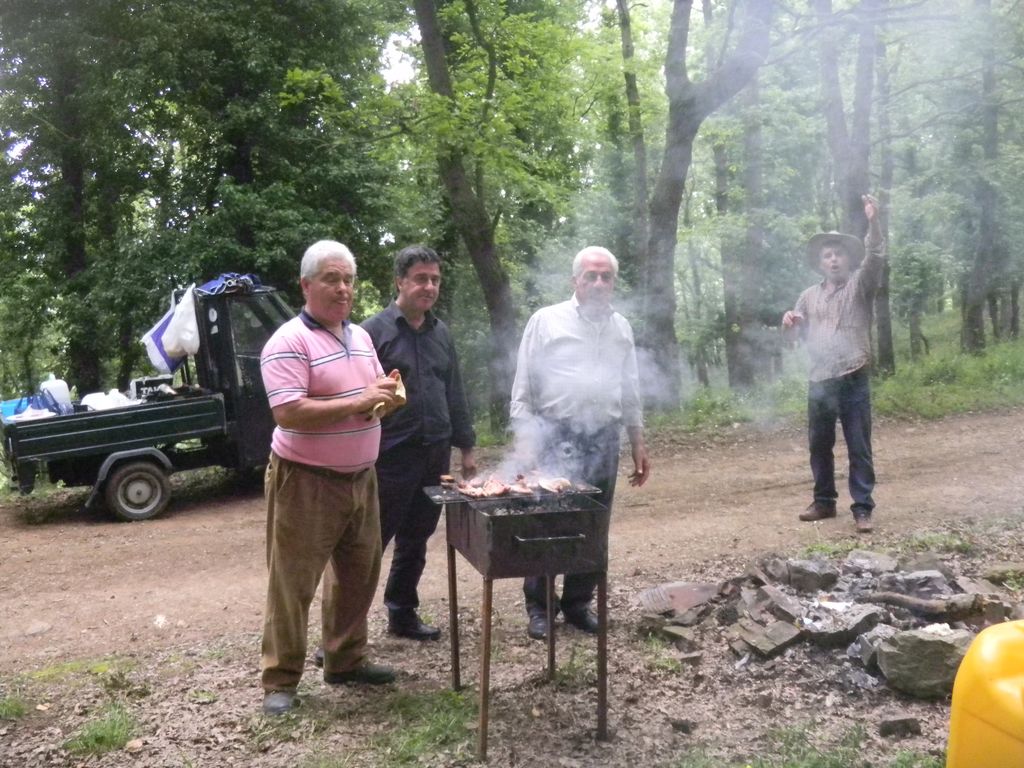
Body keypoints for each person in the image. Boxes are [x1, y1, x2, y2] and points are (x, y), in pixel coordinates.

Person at [258, 240, 400, 716]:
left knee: (358, 576)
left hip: (361, 477)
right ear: (306, 285)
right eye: (331, 279)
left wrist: (386, 398)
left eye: (348, 280)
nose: (343, 289)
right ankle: (280, 680)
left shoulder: (360, 337)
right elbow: (288, 411)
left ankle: (344, 660)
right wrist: (360, 400)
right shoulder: (288, 342)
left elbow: (372, 393)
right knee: (293, 583)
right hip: (305, 480)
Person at [329, 244, 477, 642]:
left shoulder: (440, 333)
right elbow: (353, 393)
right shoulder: (370, 333)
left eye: (435, 280)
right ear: (400, 282)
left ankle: (402, 613)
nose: (429, 287)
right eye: (421, 279)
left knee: (416, 539)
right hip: (388, 456)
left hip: (435, 454)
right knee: (367, 544)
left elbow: (455, 392)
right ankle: (342, 635)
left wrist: (466, 447)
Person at [509, 245, 650, 641]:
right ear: (576, 281)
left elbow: (631, 389)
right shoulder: (546, 321)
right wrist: (526, 440)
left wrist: (638, 441)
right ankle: (540, 607)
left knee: (593, 524)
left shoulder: (621, 328)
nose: (599, 283)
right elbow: (523, 388)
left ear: (614, 283)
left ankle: (577, 603)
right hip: (553, 434)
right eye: (591, 276)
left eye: (606, 276)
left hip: (603, 437)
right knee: (545, 523)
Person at [782, 194, 885, 534]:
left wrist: (873, 222)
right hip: (820, 379)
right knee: (819, 445)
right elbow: (793, 340)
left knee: (859, 445)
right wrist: (789, 324)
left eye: (839, 254)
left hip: (854, 373)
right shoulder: (808, 296)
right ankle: (824, 501)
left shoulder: (860, 285)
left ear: (848, 258)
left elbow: (875, 258)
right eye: (828, 255)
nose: (834, 259)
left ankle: (862, 508)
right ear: (820, 263)